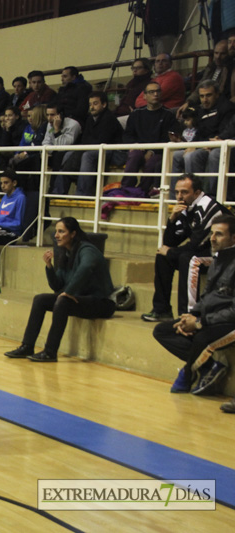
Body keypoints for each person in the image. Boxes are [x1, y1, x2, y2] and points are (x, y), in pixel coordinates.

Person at [5, 217, 115, 362]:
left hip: (101, 303)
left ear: (73, 234)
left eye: (61, 231)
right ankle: (27, 346)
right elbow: (57, 286)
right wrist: (49, 267)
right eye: (56, 231)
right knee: (40, 300)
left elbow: (86, 267)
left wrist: (68, 292)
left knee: (62, 301)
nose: (56, 235)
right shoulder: (66, 253)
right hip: (80, 299)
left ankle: (50, 352)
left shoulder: (87, 249)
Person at [153, 214, 235, 396]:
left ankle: (188, 372)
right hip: (212, 319)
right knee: (163, 330)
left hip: (230, 323)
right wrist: (191, 317)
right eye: (212, 234)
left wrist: (200, 323)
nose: (212, 239)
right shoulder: (218, 259)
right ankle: (209, 366)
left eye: (219, 234)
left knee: (201, 337)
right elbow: (207, 295)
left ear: (233, 238)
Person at [142, 174, 229, 322]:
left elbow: (195, 245)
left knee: (188, 259)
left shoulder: (208, 206)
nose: (179, 196)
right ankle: (161, 309)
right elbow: (170, 242)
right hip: (205, 251)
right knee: (163, 256)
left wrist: (170, 251)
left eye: (184, 192)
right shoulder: (186, 207)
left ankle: (188, 315)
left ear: (196, 192)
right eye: (177, 192)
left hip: (225, 255)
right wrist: (172, 218)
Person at [169, 79, 235, 195]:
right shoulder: (200, 110)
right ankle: (173, 197)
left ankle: (201, 195)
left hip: (219, 145)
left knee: (191, 156)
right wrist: (187, 144)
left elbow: (225, 132)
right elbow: (198, 133)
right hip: (204, 144)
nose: (205, 99)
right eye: (202, 96)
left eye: (208, 95)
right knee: (176, 155)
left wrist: (201, 145)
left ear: (217, 95)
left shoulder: (227, 108)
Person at [53, 91, 125, 196]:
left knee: (87, 155)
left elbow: (103, 140)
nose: (92, 107)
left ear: (104, 104)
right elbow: (85, 139)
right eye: (90, 104)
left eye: (95, 104)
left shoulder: (109, 118)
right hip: (93, 147)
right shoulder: (90, 119)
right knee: (68, 153)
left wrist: (86, 147)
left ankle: (82, 193)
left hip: (112, 150)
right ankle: (58, 192)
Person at [121, 81, 179, 193]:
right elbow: (127, 135)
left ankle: (143, 191)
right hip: (139, 148)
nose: (155, 94)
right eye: (151, 92)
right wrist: (136, 145)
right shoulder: (136, 114)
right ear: (144, 96)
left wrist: (152, 150)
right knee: (134, 155)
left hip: (159, 151)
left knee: (152, 162)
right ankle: (126, 189)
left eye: (157, 91)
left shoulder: (168, 114)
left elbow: (169, 138)